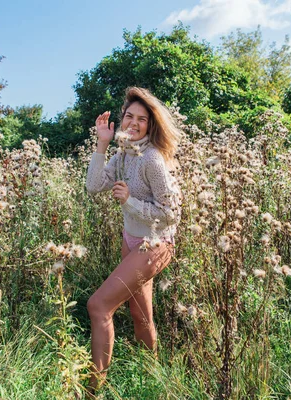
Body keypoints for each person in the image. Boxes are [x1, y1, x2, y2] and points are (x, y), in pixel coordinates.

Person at [85, 87, 182, 395]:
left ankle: (93, 390)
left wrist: (129, 202)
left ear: (151, 124)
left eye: (142, 119)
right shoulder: (123, 153)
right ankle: (152, 383)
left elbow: (172, 213)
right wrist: (101, 144)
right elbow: (94, 186)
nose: (134, 123)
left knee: (99, 306)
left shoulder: (153, 158)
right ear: (122, 119)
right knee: (140, 316)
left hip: (155, 244)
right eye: (129, 116)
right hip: (132, 240)